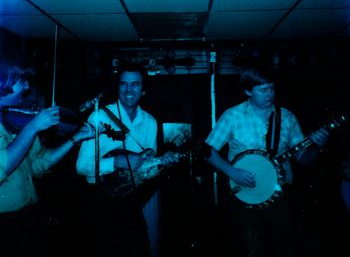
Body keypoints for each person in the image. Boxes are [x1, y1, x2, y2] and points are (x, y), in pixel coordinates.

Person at [205, 64, 329, 257]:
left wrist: (318, 146)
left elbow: (304, 159)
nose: (269, 94)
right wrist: (232, 172)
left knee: (284, 248)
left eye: (271, 88)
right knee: (250, 249)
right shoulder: (233, 116)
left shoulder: (287, 117)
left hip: (280, 196)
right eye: (263, 90)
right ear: (247, 91)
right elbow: (208, 151)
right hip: (244, 196)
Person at [76, 62, 179, 257]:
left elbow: (145, 172)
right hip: (99, 201)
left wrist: (160, 163)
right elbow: (81, 167)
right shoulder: (99, 116)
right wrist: (118, 162)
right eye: (124, 84)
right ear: (117, 87)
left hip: (132, 200)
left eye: (135, 84)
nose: (129, 90)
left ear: (143, 89)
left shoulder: (150, 121)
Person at [0, 58, 94, 257]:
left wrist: (75, 139)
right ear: (3, 81)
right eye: (21, 80)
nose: (27, 86)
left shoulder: (17, 121)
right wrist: (33, 126)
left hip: (28, 215)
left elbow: (37, 164)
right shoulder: (28, 126)